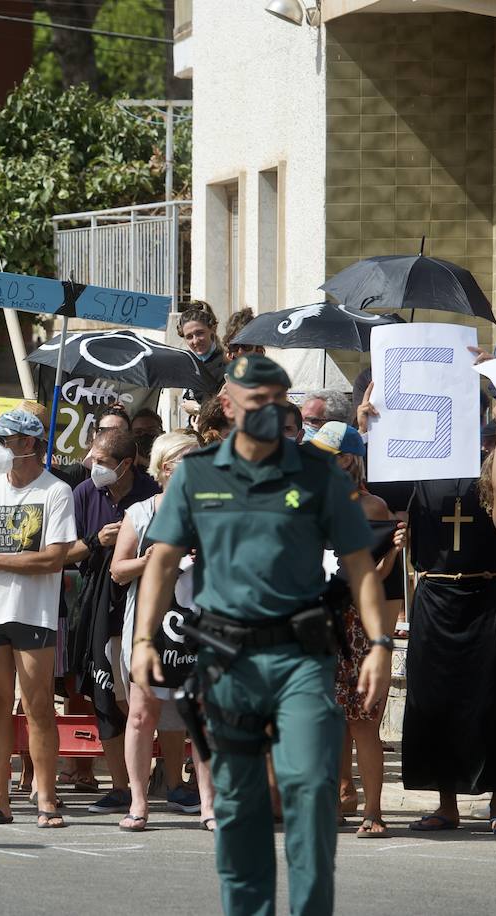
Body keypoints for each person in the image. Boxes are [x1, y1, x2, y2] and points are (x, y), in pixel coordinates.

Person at [131, 355, 390, 916]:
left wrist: (381, 645)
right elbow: (162, 561)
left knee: (310, 790)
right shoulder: (198, 475)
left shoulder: (318, 475)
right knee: (241, 803)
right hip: (229, 661)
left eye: (277, 400)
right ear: (228, 406)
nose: (269, 411)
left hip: (302, 658)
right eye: (256, 401)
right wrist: (143, 640)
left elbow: (360, 566)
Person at [357, 385, 496, 834]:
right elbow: (374, 480)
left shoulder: (488, 470)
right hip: (435, 597)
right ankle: (446, 804)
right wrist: (367, 428)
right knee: (434, 700)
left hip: (483, 597)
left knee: (491, 700)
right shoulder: (420, 471)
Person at [0, 403, 77, 828]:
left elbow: (53, 558)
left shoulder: (55, 491)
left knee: (38, 705)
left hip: (35, 613)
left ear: (28, 443)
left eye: (4, 440)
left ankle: (45, 796)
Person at [111, 431, 214, 831]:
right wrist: (152, 559)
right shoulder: (141, 512)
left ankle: (209, 806)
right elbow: (118, 570)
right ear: (168, 468)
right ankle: (138, 803)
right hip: (151, 626)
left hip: (202, 625)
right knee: (141, 714)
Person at [309, 421, 405, 838]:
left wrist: (395, 550)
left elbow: (376, 574)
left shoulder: (371, 507)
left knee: (363, 723)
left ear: (347, 459)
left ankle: (373, 810)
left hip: (357, 625)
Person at [65, 427, 160, 815]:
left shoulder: (152, 492)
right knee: (104, 691)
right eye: (92, 458)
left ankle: (164, 778)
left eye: (102, 462)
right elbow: (63, 552)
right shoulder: (84, 493)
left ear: (126, 465)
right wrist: (96, 541)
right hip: (98, 603)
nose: (93, 467)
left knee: (144, 695)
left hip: (147, 603)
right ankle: (121, 786)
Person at [177, 302, 226, 401]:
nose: (195, 341)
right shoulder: (188, 364)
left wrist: (197, 408)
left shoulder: (226, 365)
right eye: (189, 337)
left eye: (200, 333)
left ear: (213, 329)